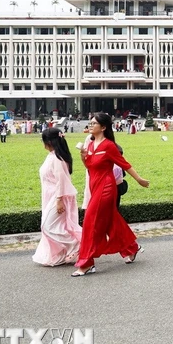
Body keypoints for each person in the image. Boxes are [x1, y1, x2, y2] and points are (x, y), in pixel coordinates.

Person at [72, 112, 150, 277]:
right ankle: (131, 248)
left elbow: (125, 164)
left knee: (89, 223)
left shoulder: (109, 146)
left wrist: (139, 179)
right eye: (90, 123)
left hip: (106, 188)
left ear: (103, 127)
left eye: (94, 123)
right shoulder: (91, 145)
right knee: (111, 221)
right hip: (95, 186)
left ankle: (86, 262)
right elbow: (90, 167)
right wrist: (83, 157)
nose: (90, 125)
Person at [33, 127, 82, 266]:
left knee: (47, 226)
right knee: (55, 225)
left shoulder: (58, 159)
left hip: (58, 197)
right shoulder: (52, 156)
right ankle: (60, 253)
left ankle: (76, 244)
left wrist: (59, 200)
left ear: (49, 142)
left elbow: (61, 180)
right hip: (50, 196)